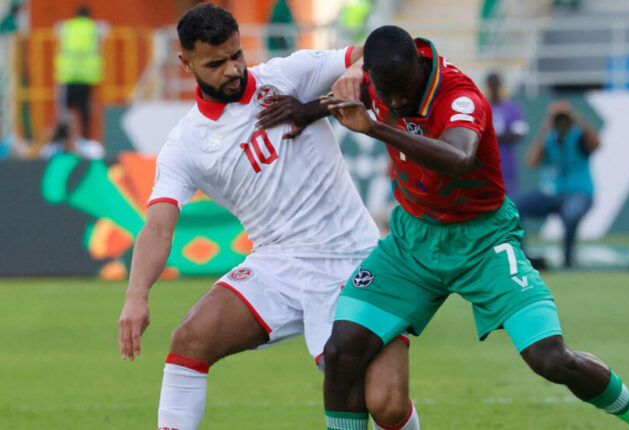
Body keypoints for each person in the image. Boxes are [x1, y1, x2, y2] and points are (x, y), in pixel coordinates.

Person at [318, 25, 629, 430]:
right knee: (341, 353)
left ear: (418, 66)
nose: (394, 100)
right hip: (412, 241)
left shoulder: (459, 96)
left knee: (550, 358)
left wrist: (375, 127)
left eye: (401, 90)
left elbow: (459, 158)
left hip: (483, 240)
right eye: (385, 91)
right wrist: (301, 110)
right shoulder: (381, 81)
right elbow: (345, 96)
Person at [116, 5, 417, 430]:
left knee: (386, 405)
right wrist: (136, 295)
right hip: (277, 264)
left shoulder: (289, 75)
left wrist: (354, 73)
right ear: (185, 63)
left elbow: (377, 49)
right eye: (215, 64)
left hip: (355, 258)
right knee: (189, 339)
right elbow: (159, 226)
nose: (232, 70)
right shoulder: (185, 145)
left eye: (236, 55)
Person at [514, 100, 599, 268]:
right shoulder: (549, 138)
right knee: (514, 207)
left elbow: (596, 144)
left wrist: (576, 118)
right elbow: (532, 162)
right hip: (551, 192)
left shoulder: (578, 136)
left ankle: (568, 258)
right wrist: (545, 128)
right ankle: (522, 255)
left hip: (578, 191)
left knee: (571, 214)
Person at [54, 4, 106, 139]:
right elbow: (106, 29)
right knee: (85, 112)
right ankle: (85, 137)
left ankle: (64, 139)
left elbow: (56, 29)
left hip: (68, 76)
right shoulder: (94, 28)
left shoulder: (67, 27)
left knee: (64, 111)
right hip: (87, 77)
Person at [486, 72, 528, 197]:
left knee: (509, 197)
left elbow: (519, 133)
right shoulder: (482, 107)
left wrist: (491, 137)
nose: (494, 89)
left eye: (496, 85)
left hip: (507, 162)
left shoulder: (512, 108)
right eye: (491, 85)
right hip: (486, 164)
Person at [38, 120, 104, 160]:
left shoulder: (91, 147)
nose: (68, 135)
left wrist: (75, 150)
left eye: (71, 130)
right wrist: (48, 138)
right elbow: (39, 158)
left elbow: (96, 161)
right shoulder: (53, 149)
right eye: (66, 132)